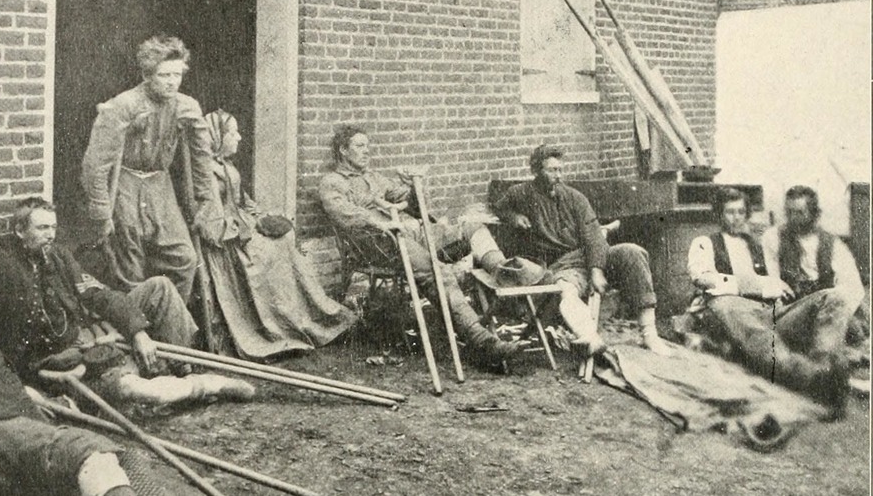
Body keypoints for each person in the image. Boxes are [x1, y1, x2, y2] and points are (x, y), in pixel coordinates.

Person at [0, 260, 194, 496]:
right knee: (86, 453)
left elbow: (3, 388)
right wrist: (51, 431)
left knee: (111, 456)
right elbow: (4, 391)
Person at [0, 197, 254, 407]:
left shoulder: (59, 256)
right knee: (134, 388)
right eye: (42, 228)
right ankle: (195, 384)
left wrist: (136, 330)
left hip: (87, 332)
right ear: (20, 231)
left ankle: (183, 369)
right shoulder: (3, 271)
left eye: (53, 227)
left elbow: (97, 294)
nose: (50, 235)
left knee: (158, 287)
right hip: (63, 357)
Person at [318, 124, 524, 362]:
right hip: (381, 246)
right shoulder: (332, 182)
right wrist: (379, 222)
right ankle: (482, 340)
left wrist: (414, 187)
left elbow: (415, 206)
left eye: (368, 146)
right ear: (343, 150)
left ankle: (505, 273)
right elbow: (342, 213)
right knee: (440, 272)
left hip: (411, 234)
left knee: (472, 228)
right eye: (360, 146)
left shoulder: (374, 178)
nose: (367, 151)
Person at [190, 110, 358, 359]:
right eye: (232, 133)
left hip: (242, 229)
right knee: (270, 253)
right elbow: (209, 219)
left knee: (284, 241)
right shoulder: (206, 174)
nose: (239, 137)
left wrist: (261, 218)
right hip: (226, 242)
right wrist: (242, 230)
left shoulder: (227, 166)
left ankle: (307, 318)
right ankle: (279, 326)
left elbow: (243, 202)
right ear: (216, 137)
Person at [685, 186, 861, 418]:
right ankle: (805, 375)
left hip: (767, 311)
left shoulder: (759, 244)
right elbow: (703, 278)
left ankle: (824, 371)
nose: (736, 218)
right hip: (729, 309)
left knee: (833, 298)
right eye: (729, 212)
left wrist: (778, 292)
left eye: (741, 212)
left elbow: (778, 281)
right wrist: (758, 285)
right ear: (719, 215)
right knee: (741, 318)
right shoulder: (705, 243)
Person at [493, 145, 671, 356]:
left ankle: (649, 333)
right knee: (566, 290)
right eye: (551, 170)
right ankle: (589, 337)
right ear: (536, 171)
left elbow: (593, 235)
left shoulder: (574, 198)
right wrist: (514, 217)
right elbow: (500, 206)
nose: (557, 176)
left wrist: (596, 269)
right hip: (561, 266)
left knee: (633, 252)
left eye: (560, 170)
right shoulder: (521, 193)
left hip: (589, 256)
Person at [82, 35, 210, 304]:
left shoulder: (187, 106)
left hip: (159, 187)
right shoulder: (123, 105)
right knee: (131, 266)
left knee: (185, 260)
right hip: (125, 185)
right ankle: (139, 332)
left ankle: (170, 322)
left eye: (177, 74)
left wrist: (204, 201)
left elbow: (201, 158)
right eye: (164, 75)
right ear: (147, 75)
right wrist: (102, 212)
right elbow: (96, 164)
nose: (172, 81)